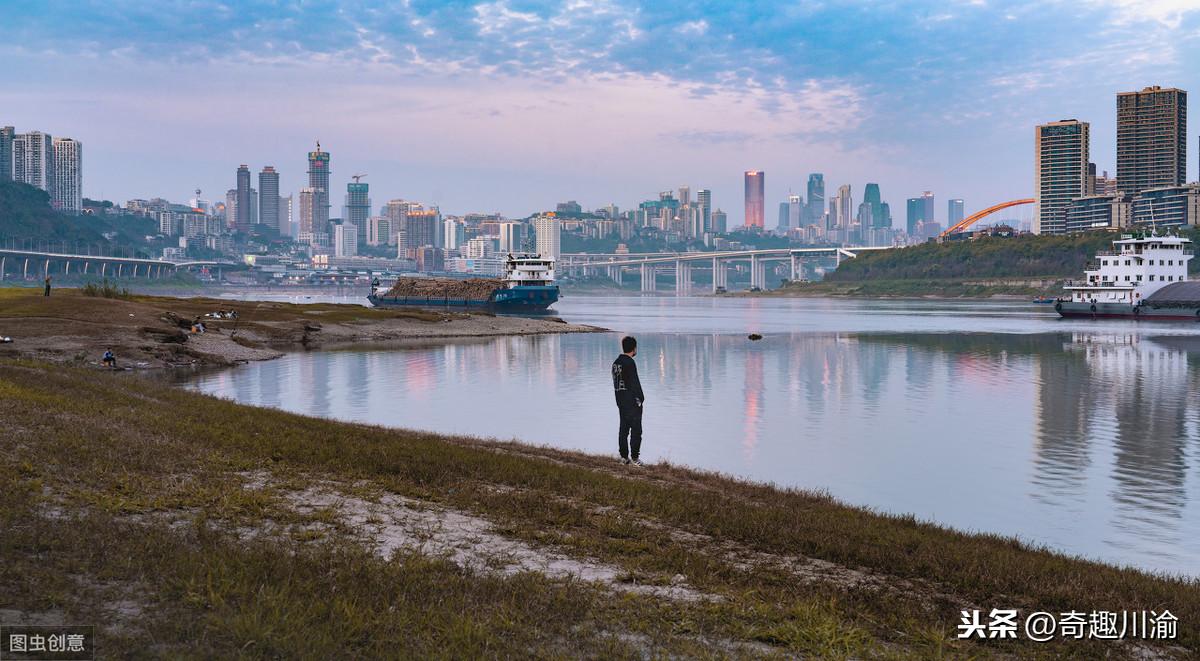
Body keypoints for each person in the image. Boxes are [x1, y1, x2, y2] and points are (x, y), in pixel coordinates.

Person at [611, 335, 645, 466]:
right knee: (636, 431)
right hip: (632, 402)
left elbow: (617, 382)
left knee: (623, 430)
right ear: (634, 348)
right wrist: (641, 399)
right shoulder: (630, 363)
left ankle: (624, 457)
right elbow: (634, 383)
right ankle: (635, 458)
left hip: (620, 401)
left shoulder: (616, 362)